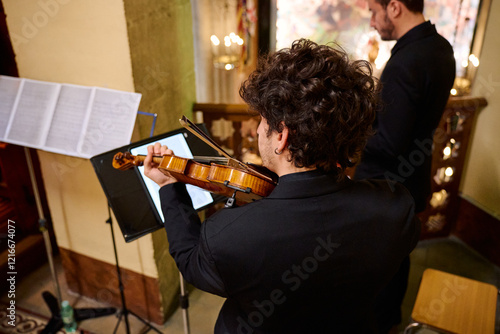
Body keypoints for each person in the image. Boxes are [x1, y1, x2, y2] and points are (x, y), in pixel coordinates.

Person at [144, 39, 420, 333]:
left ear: (282, 136)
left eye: (263, 120)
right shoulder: (396, 207)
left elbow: (190, 261)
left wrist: (169, 187)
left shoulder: (228, 236)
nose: (259, 129)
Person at [354, 0, 456, 332]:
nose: (372, 22)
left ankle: (378, 323)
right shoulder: (440, 47)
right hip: (413, 178)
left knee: (377, 267)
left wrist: (346, 138)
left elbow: (388, 143)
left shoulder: (406, 62)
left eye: (374, 11)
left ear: (394, 7)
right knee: (396, 260)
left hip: (387, 186)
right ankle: (389, 320)